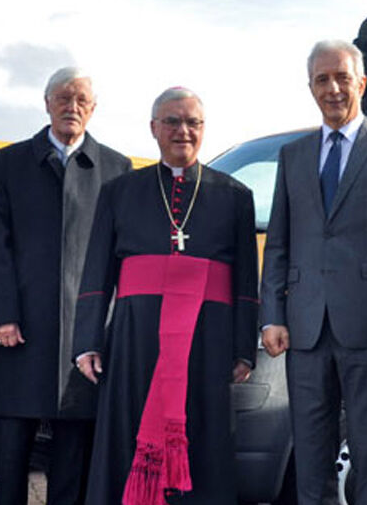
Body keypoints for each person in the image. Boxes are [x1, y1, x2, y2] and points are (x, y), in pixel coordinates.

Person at [259, 40, 367, 505]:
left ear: (362, 83)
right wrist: (272, 315)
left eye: (342, 78)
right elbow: (279, 243)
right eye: (321, 79)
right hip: (306, 332)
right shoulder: (293, 155)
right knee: (311, 460)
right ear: (310, 87)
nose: (332, 89)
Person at [73, 87, 258, 505]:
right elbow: (98, 272)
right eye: (172, 121)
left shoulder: (234, 196)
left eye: (193, 122)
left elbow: (247, 280)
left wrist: (244, 348)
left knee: (203, 434)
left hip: (206, 342)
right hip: (136, 338)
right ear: (154, 128)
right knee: (129, 427)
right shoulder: (120, 191)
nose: (183, 131)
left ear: (203, 129)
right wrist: (86, 341)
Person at [0, 67, 132, 505]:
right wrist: (1, 313)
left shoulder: (116, 168)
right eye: (63, 97)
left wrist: (107, 327)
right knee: (11, 455)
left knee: (73, 459)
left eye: (82, 99)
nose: (72, 106)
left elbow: (123, 255)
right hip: (19, 331)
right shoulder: (8, 164)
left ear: (94, 108)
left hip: (85, 338)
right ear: (46, 103)